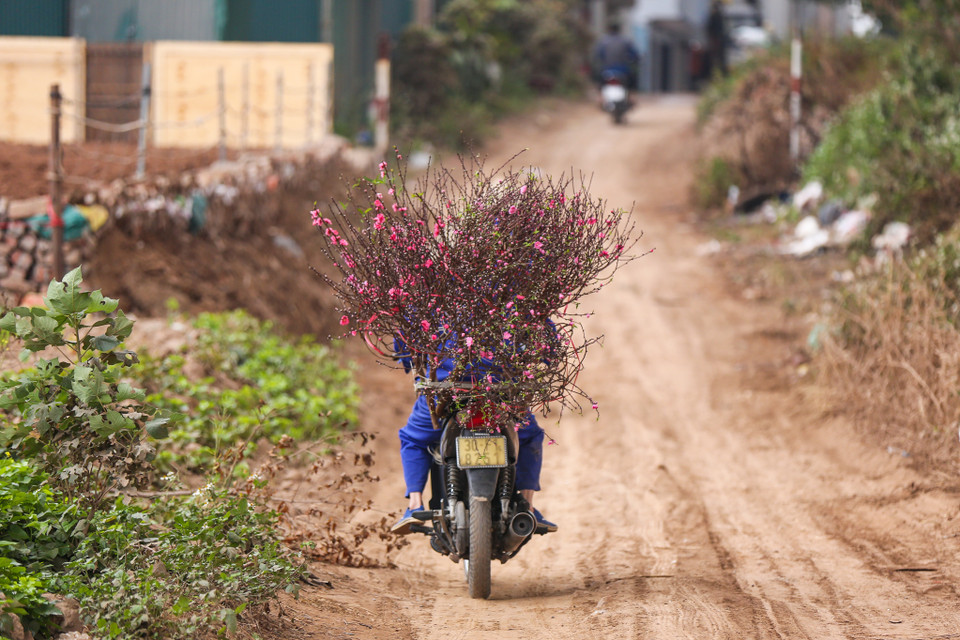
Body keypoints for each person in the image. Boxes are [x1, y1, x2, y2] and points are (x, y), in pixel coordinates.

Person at [390, 331, 558, 535]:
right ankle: (528, 507)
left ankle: (415, 505)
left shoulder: (428, 300)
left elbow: (405, 338)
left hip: (446, 391)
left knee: (414, 439)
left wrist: (409, 360)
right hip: (501, 391)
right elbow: (546, 338)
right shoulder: (513, 300)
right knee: (529, 435)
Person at [591, 20, 640, 91]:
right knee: (631, 83)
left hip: (606, 70)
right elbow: (634, 55)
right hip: (623, 70)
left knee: (600, 83)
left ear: (609, 29)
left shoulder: (603, 41)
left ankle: (600, 98)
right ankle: (631, 96)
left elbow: (598, 55)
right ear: (619, 29)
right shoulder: (625, 41)